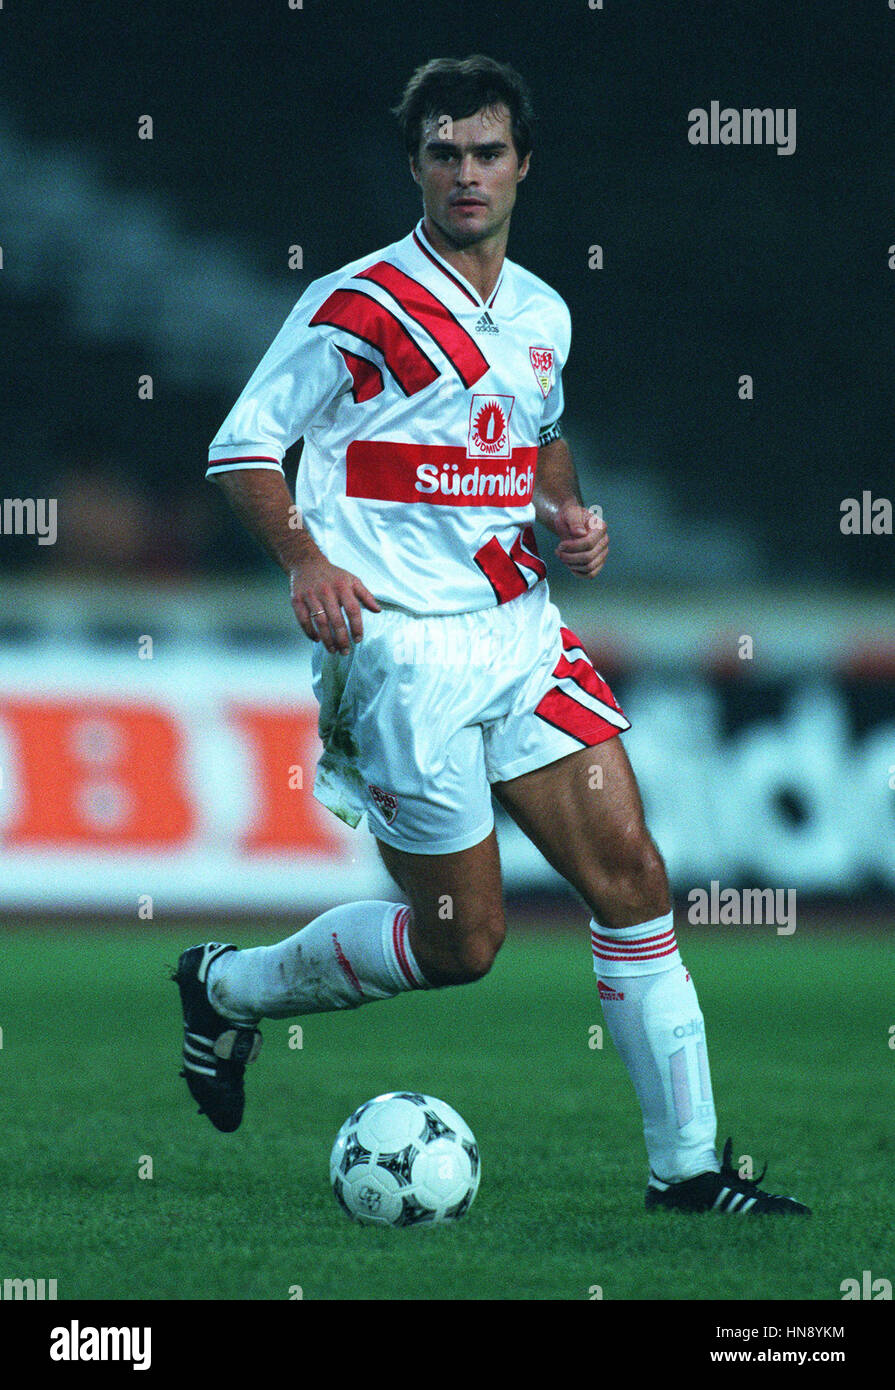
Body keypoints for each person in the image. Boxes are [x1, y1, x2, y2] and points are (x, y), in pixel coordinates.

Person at [175, 55, 808, 1216]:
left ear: (522, 165)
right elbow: (240, 447)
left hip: (522, 633)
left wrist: (562, 510)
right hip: (402, 653)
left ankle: (689, 1173)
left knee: (635, 878)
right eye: (444, 153)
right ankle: (226, 987)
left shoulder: (540, 314)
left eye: (487, 152)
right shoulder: (356, 306)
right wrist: (309, 561)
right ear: (416, 164)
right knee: (463, 944)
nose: (467, 174)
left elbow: (540, 438)